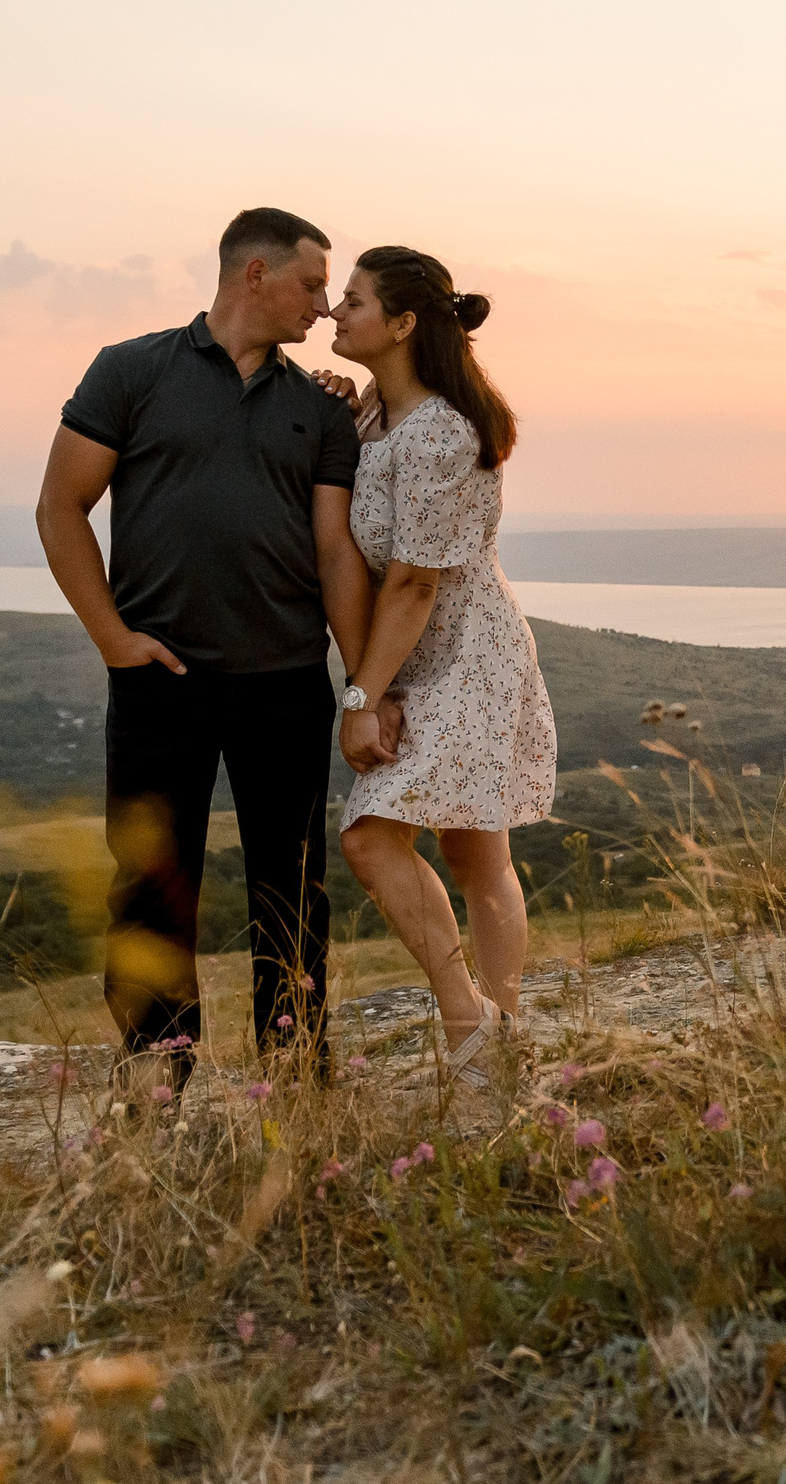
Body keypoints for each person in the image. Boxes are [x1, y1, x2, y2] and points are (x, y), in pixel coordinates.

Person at [35, 207, 369, 1090]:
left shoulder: (320, 406)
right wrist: (113, 641)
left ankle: (297, 1076)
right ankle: (158, 1075)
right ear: (253, 273)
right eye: (311, 284)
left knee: (292, 890)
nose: (324, 307)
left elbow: (335, 551)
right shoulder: (130, 370)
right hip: (161, 683)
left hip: (287, 685)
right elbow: (60, 506)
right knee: (149, 885)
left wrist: (366, 681)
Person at [325, 246, 556, 1091]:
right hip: (418, 653)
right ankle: (499, 1043)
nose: (333, 314)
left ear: (403, 323)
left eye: (351, 302)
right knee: (472, 848)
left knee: (374, 838)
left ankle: (476, 1020)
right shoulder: (381, 420)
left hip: (465, 656)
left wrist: (362, 696)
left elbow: (417, 581)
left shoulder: (439, 433)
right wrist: (340, 409)